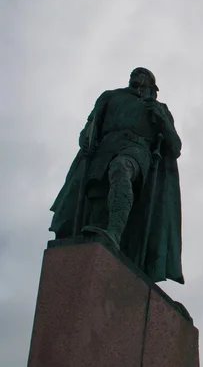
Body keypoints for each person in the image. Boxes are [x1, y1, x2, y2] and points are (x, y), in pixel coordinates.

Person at [49, 68, 184, 284]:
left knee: (122, 169)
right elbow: (90, 126)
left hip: (137, 150)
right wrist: (85, 139)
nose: (137, 75)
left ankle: (114, 233)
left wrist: (162, 121)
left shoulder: (159, 108)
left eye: (143, 74)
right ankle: (102, 244)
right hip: (104, 151)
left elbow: (175, 147)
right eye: (135, 73)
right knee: (98, 204)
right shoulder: (111, 96)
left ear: (151, 85)